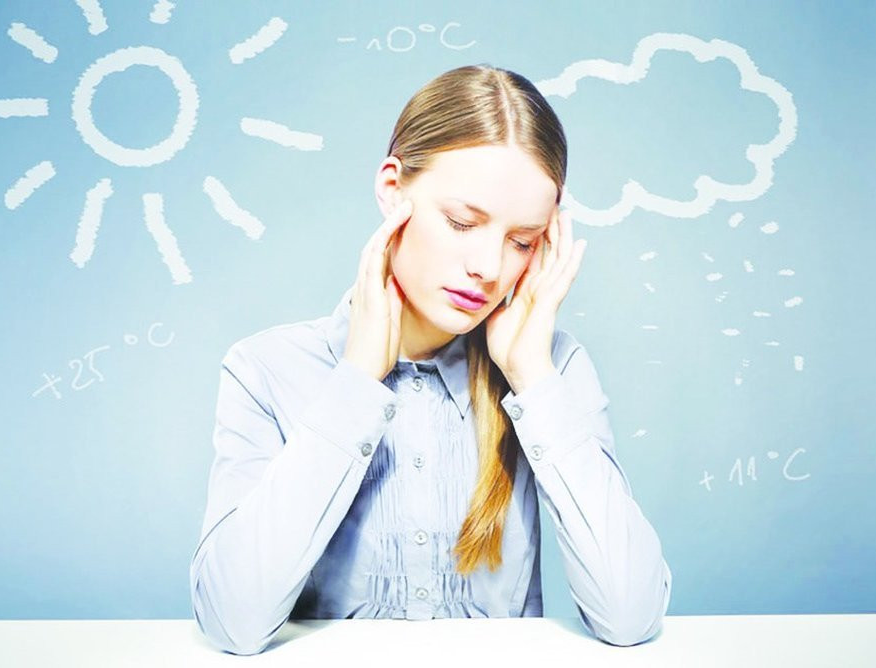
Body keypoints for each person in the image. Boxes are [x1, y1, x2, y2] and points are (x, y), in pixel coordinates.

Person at [189, 63, 672, 656]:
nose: (488, 268)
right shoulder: (267, 368)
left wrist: (532, 379)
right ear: (393, 189)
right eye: (462, 222)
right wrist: (357, 382)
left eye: (521, 241)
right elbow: (233, 622)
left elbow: (630, 617)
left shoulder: (553, 369)